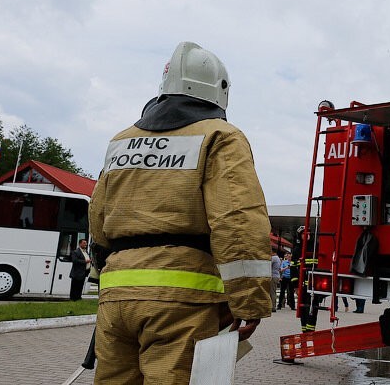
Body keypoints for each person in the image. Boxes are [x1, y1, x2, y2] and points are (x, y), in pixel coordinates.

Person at [89, 41, 272, 384]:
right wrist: (250, 301)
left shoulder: (122, 140)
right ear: (219, 92)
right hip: (183, 302)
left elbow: (98, 219)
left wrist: (105, 279)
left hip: (116, 300)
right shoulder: (221, 136)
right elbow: (237, 221)